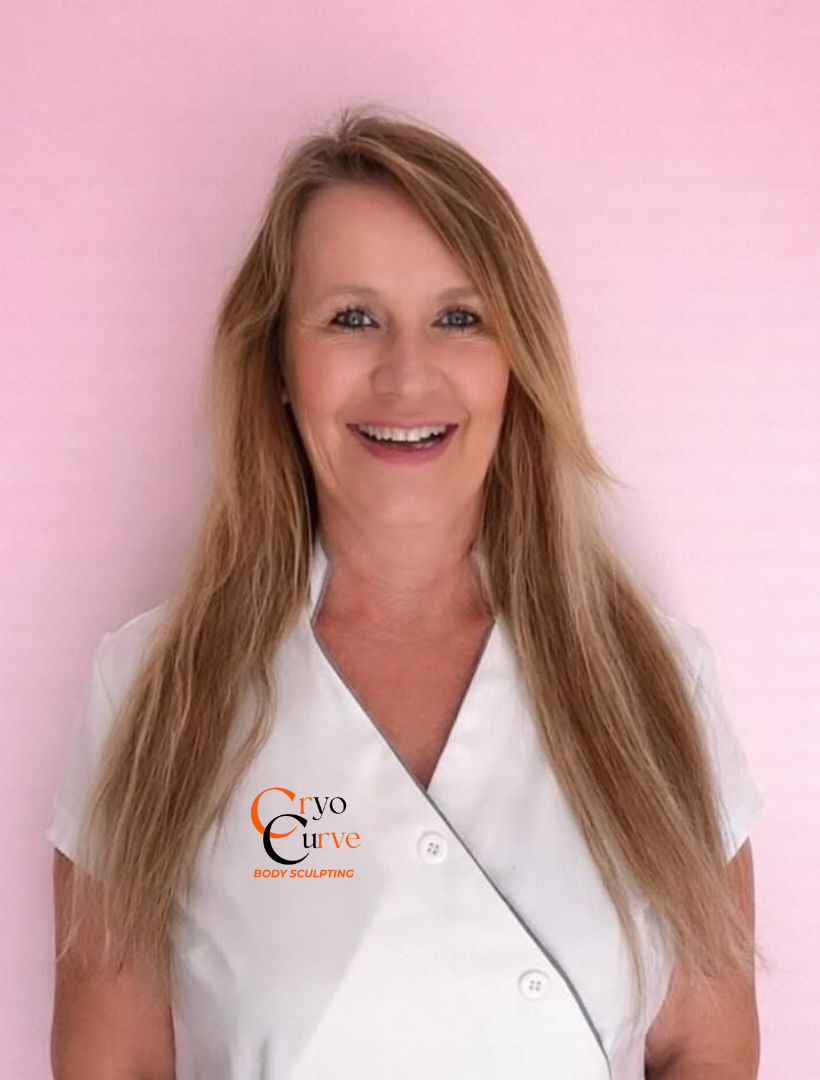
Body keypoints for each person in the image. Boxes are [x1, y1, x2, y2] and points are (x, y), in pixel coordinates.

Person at [45, 105, 767, 1079]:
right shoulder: (147, 687)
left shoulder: (657, 682)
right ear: (279, 363)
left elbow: (705, 1052)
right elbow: (113, 1065)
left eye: (459, 318)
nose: (406, 372)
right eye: (352, 318)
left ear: (515, 363)